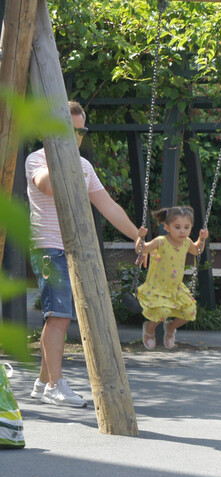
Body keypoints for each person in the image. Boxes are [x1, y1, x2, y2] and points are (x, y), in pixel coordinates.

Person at [27, 101, 143, 408]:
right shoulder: (36, 160)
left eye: (80, 132)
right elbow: (48, 185)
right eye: (69, 130)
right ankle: (55, 385)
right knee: (60, 316)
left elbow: (108, 206)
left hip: (73, 248)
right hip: (48, 247)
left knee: (58, 317)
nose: (76, 137)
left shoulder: (84, 166)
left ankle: (42, 383)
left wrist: (136, 236)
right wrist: (59, 155)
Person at [134, 206, 208, 350]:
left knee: (190, 312)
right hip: (157, 287)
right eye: (178, 227)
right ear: (167, 227)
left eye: (187, 227)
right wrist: (140, 237)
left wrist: (201, 238)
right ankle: (149, 329)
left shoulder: (186, 242)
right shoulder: (160, 241)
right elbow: (141, 250)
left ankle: (171, 327)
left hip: (175, 288)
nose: (182, 231)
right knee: (163, 311)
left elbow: (197, 250)